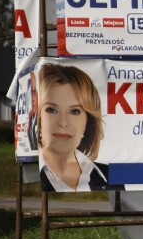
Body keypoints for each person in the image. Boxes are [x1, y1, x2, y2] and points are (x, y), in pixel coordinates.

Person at [37, 63, 109, 192]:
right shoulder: (26, 175)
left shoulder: (107, 175)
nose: (63, 123)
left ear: (88, 121)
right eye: (51, 110)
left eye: (75, 111)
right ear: (36, 116)